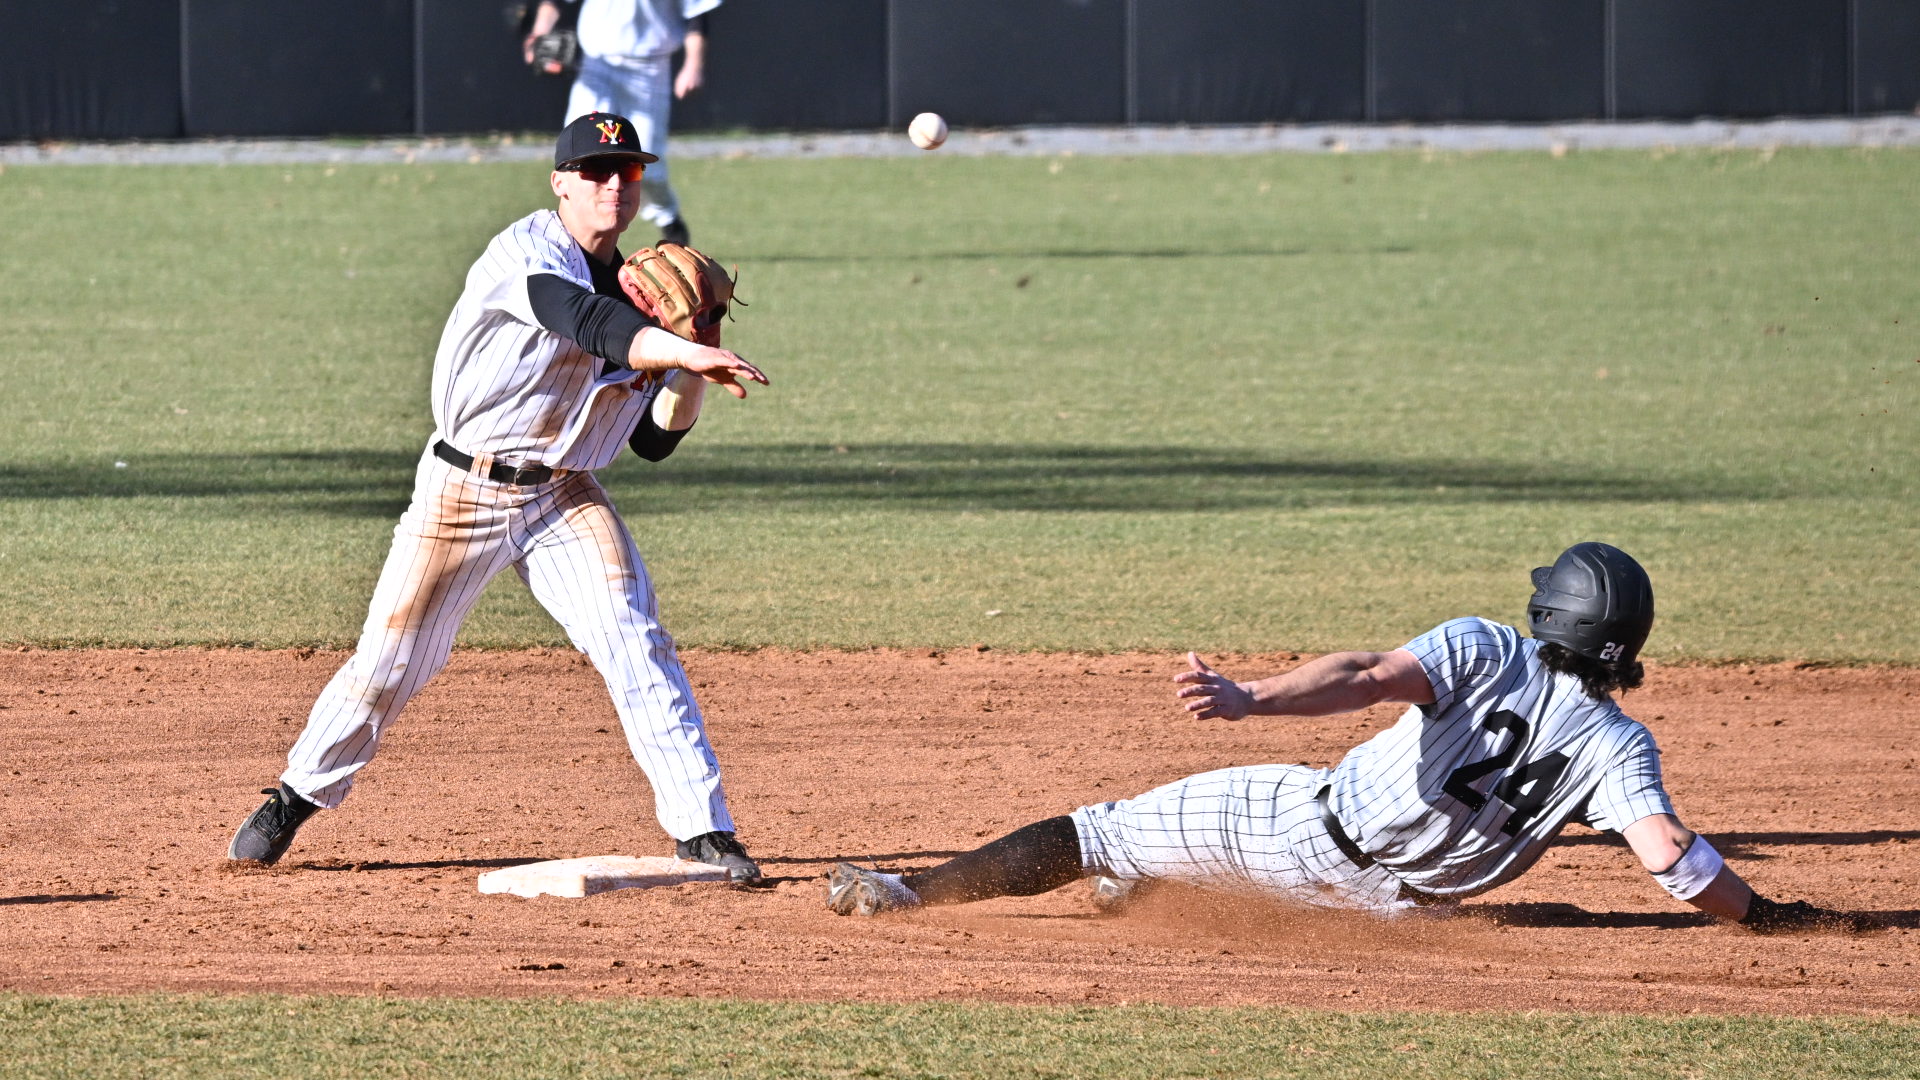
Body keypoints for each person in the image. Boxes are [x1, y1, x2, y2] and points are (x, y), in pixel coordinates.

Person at [228, 112, 769, 882]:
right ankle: (295, 795)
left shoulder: (648, 302)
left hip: (562, 494)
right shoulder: (528, 253)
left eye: (626, 172)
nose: (613, 187)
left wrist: (692, 365)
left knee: (633, 637)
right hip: (463, 490)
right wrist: (678, 346)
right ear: (560, 184)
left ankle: (704, 830)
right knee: (391, 665)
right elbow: (583, 320)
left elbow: (654, 441)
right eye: (594, 172)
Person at [826, 543, 1857, 931]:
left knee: (1097, 830)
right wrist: (1766, 916)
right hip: (1400, 914)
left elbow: (1363, 678)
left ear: (1554, 615)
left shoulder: (1486, 647)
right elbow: (1673, 860)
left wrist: (1251, 699)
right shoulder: (1622, 751)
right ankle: (1154, 884)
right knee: (1167, 857)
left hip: (1300, 832)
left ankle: (910, 895)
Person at [524, 0, 717, 247]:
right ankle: (567, 237)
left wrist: (694, 65)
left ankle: (668, 218)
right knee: (576, 154)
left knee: (647, 166)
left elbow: (697, 12)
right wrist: (539, 34)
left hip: (649, 66)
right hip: (596, 63)